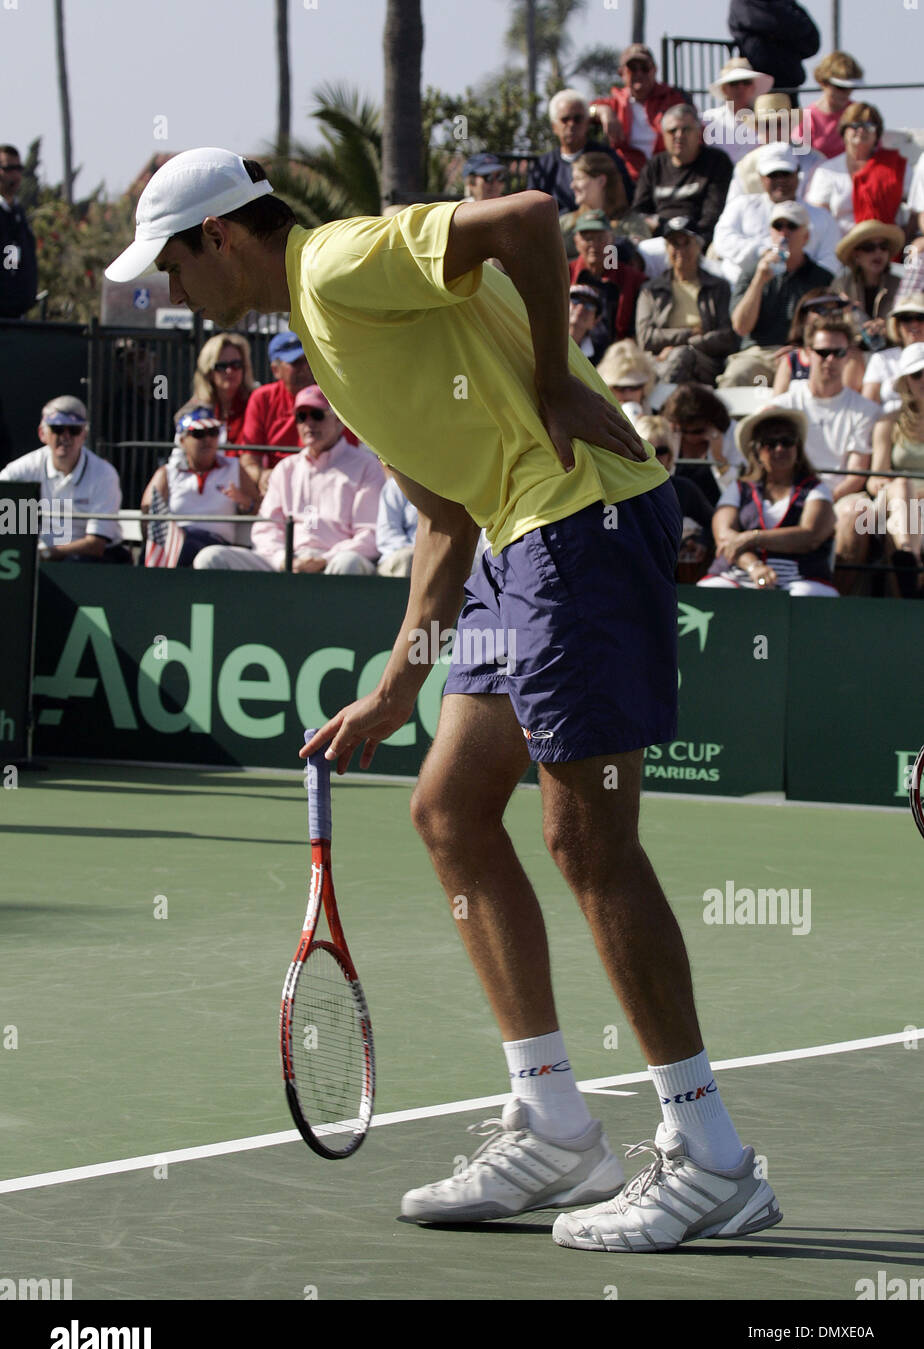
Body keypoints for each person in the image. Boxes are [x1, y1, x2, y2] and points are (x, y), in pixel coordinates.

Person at [107, 146, 783, 1253]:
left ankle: (710, 1152)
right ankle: (557, 1123)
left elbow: (523, 217)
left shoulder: (331, 264)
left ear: (221, 234)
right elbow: (444, 521)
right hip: (517, 541)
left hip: (583, 520)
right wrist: (393, 686)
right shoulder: (329, 332)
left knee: (585, 840)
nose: (174, 296)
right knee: (452, 810)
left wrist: (560, 377)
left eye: (175, 270)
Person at [194, 386, 382, 574]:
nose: (308, 423)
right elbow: (266, 529)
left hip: (335, 564)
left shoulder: (366, 466)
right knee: (211, 557)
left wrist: (324, 559)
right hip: (286, 563)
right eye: (301, 417)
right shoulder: (286, 469)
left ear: (339, 420)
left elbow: (370, 534)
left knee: (347, 562)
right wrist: (284, 560)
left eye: (317, 415)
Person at [772, 319, 881, 586]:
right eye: (822, 352)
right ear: (807, 354)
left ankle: (836, 604)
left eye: (839, 352)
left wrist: (819, 504)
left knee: (859, 512)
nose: (830, 359)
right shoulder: (782, 407)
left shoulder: (865, 409)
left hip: (840, 498)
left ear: (848, 357)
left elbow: (855, 476)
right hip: (789, 493)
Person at [697, 406, 837, 595]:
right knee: (711, 590)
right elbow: (724, 536)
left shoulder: (816, 489)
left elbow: (810, 536)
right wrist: (754, 566)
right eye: (770, 443)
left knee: (806, 595)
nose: (780, 449)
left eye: (787, 442)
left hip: (800, 576)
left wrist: (752, 537)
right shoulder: (739, 488)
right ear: (756, 452)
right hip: (739, 571)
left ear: (798, 448)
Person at [0, 395, 129, 562]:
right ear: (42, 433)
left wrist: (43, 554)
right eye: (57, 429)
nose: (66, 437)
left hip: (92, 561)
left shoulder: (104, 474)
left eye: (74, 430)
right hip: (38, 558)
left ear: (84, 434)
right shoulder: (22, 469)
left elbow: (95, 545)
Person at [720, 202, 833, 387]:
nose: (784, 233)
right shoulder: (751, 272)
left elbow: (826, 329)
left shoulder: (821, 279)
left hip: (803, 354)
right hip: (758, 356)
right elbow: (741, 327)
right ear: (771, 233)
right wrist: (759, 280)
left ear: (806, 237)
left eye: (792, 226)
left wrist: (801, 349)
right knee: (737, 376)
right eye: (778, 226)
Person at [140, 407, 258, 567]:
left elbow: (260, 507)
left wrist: (245, 502)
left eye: (213, 432)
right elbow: (148, 514)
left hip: (215, 544)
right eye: (198, 434)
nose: (207, 439)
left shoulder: (234, 468)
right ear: (182, 441)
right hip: (176, 541)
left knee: (186, 550)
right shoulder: (167, 473)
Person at [712, 144, 841, 284]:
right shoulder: (741, 206)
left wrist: (801, 278)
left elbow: (830, 260)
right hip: (743, 289)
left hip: (801, 296)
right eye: (773, 175)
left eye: (785, 173)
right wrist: (762, 252)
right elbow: (723, 239)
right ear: (761, 177)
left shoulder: (822, 217)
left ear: (797, 173)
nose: (780, 180)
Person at [631, 105, 733, 276]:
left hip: (700, 244)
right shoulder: (654, 166)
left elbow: (712, 215)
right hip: (661, 243)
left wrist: (670, 229)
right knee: (630, 257)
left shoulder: (716, 162)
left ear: (699, 132)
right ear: (663, 135)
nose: (679, 135)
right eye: (672, 131)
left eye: (686, 129)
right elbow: (639, 213)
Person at [635, 216, 738, 384]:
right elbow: (646, 337)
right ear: (666, 248)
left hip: (706, 361)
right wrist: (689, 333)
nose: (681, 250)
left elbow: (727, 337)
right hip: (659, 361)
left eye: (687, 243)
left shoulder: (718, 287)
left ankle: (656, 405)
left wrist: (689, 345)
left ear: (698, 246)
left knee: (682, 354)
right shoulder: (651, 290)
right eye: (675, 243)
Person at [867, 341, 924, 593]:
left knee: (897, 525)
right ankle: (909, 558)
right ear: (905, 382)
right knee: (902, 486)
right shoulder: (887, 421)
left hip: (906, 512)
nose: (923, 380)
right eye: (917, 374)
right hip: (895, 499)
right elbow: (874, 477)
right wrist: (902, 489)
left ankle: (908, 565)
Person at [588, 44, 688, 182]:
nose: (639, 74)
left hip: (668, 175)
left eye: (645, 68)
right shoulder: (615, 103)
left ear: (654, 70)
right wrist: (602, 111)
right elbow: (582, 110)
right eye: (632, 69)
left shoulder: (672, 98)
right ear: (621, 73)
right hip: (629, 179)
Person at [806, 104, 909, 235]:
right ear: (844, 131)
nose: (861, 130)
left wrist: (907, 236)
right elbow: (817, 216)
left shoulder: (895, 166)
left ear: (877, 134)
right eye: (854, 125)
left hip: (884, 247)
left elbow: (918, 204)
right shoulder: (827, 170)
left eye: (869, 126)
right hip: (839, 247)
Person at [528, 90, 632, 214]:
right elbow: (533, 209)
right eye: (565, 119)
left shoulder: (606, 158)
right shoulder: (543, 166)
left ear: (587, 122)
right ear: (554, 127)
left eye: (577, 119)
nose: (571, 124)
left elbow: (625, 198)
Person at [634, 414, 714, 570]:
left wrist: (702, 542)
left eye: (661, 451)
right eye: (647, 450)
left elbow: (714, 521)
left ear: (670, 454)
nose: (654, 458)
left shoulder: (682, 488)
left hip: (668, 574)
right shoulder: (618, 490)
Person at [238, 330, 314, 492]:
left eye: (309, 359)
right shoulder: (263, 398)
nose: (305, 367)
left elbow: (348, 454)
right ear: (275, 370)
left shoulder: (331, 395)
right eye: (296, 362)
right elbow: (249, 460)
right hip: (278, 487)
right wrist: (263, 476)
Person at [568, 211, 647, 343]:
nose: (594, 244)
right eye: (587, 238)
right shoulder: (565, 274)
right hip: (572, 348)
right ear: (576, 242)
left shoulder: (632, 279)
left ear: (612, 240)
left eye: (600, 238)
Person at [830, 221, 905, 355]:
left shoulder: (899, 285)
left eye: (883, 247)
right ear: (856, 255)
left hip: (892, 353)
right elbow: (830, 326)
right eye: (869, 247)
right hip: (851, 354)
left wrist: (888, 328)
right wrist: (848, 315)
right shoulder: (841, 285)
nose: (878, 252)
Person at [661, 383, 743, 505]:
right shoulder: (668, 432)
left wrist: (718, 457)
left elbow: (737, 486)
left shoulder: (733, 434)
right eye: (684, 431)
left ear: (713, 421)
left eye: (697, 431)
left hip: (717, 509)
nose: (690, 437)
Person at [728, 95, 822, 199]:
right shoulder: (744, 167)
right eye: (767, 125)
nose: (775, 131)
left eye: (780, 124)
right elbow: (734, 207)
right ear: (757, 128)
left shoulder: (815, 161)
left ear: (791, 124)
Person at [175, 333, 257, 452]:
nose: (230, 371)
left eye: (236, 365)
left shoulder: (258, 404)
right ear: (208, 372)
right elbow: (180, 456)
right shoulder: (194, 411)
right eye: (221, 366)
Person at [559, 151, 648, 260]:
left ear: (601, 181)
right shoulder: (564, 224)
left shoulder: (632, 224)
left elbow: (643, 262)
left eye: (579, 178)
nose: (572, 185)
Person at [771, 287, 861, 393]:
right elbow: (778, 402)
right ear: (804, 316)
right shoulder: (791, 359)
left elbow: (844, 398)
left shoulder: (850, 354)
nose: (829, 315)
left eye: (835, 310)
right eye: (821, 310)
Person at [727, 0, 821, 95]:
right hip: (756, 91)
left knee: (792, 110)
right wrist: (790, 34)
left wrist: (778, 34)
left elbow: (812, 39)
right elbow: (769, 22)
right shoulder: (743, 3)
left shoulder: (787, 3)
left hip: (789, 89)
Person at [700, 57, 773, 165]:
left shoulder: (767, 121)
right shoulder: (707, 119)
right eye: (734, 83)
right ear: (724, 89)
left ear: (753, 87)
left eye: (746, 82)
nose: (740, 87)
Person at [792, 52, 864, 160]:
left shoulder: (860, 114)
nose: (847, 92)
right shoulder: (806, 117)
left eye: (852, 87)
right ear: (823, 82)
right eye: (840, 87)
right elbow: (801, 160)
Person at [862, 293, 924, 412]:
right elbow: (867, 407)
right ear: (897, 324)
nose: (914, 324)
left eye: (921, 317)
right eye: (906, 318)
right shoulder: (881, 359)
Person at [0, 144, 38, 319]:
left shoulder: (17, 214)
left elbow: (16, 258)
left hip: (16, 314)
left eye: (18, 168)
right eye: (8, 168)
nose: (14, 175)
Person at [595, 340, 657, 422]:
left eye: (635, 387)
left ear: (644, 388)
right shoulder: (595, 414)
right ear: (608, 388)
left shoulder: (653, 415)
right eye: (620, 387)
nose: (628, 394)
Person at [377, 467, 418, 577]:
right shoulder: (396, 484)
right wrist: (422, 553)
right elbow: (387, 536)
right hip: (405, 555)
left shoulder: (457, 484)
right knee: (407, 558)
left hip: (447, 555)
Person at [568, 282, 608, 364]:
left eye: (590, 305)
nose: (581, 307)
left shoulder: (602, 359)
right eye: (575, 300)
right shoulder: (542, 341)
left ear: (595, 321)